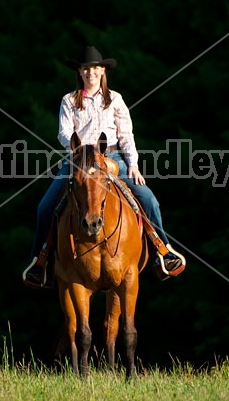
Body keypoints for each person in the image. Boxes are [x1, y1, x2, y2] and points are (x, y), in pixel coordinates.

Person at [22, 45, 185, 288]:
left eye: (95, 69)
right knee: (45, 206)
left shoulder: (115, 99)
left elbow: (126, 134)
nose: (90, 73)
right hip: (79, 158)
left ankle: (164, 251)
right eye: (86, 69)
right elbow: (63, 133)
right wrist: (81, 150)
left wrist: (133, 164)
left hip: (111, 158)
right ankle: (40, 262)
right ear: (79, 72)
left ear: (102, 71)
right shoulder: (69, 100)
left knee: (147, 198)